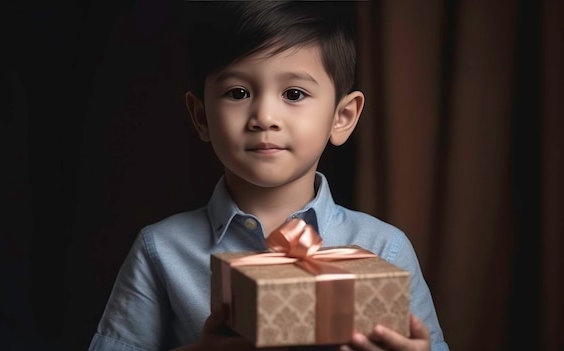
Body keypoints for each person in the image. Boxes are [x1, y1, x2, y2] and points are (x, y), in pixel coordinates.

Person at [89, 2, 449, 351]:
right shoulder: (162, 250)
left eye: (294, 94)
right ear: (201, 117)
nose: (264, 116)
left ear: (342, 117)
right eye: (238, 93)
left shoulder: (385, 248)